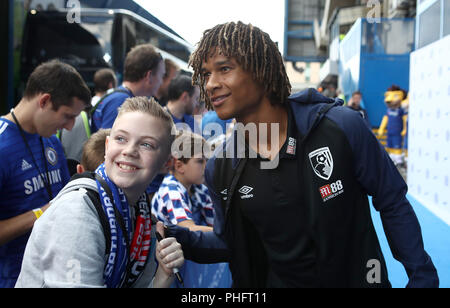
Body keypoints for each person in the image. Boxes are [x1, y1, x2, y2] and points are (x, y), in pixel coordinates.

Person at [165, 21, 439, 288]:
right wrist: (173, 237)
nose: (211, 83)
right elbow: (228, 242)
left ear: (261, 69)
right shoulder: (221, 167)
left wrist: (422, 277)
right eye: (206, 74)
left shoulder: (341, 126)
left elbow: (391, 201)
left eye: (224, 69)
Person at [16, 96, 184, 288]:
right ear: (107, 146)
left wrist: (163, 277)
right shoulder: (77, 213)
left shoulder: (141, 217)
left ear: (166, 162)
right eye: (121, 138)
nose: (129, 150)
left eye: (147, 144)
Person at [0, 59, 91, 287]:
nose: (70, 127)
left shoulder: (52, 141)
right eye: (68, 116)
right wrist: (41, 213)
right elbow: (49, 209)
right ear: (44, 101)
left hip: (54, 274)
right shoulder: (2, 145)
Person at [152, 130, 232, 288]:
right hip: (169, 266)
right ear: (180, 166)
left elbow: (213, 224)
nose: (207, 165)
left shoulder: (199, 189)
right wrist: (231, 233)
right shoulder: (171, 190)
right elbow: (188, 228)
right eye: (200, 161)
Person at [92, 44, 165, 132]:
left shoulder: (119, 97)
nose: (161, 82)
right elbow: (107, 144)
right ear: (148, 76)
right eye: (161, 75)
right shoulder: (121, 102)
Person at [378, 85, 408, 166]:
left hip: (398, 132)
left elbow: (405, 119)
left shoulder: (401, 110)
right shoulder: (388, 109)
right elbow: (385, 119)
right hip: (389, 131)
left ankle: (398, 161)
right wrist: (381, 128)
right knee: (389, 146)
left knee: (397, 146)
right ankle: (391, 161)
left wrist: (405, 129)